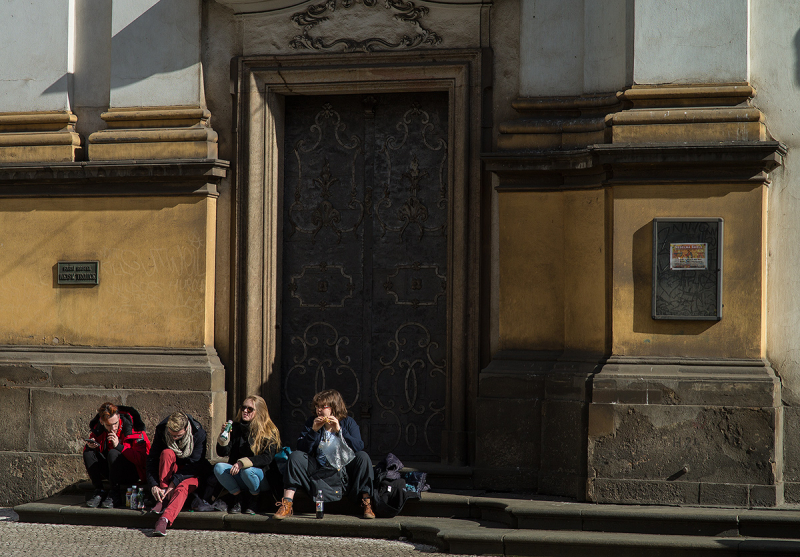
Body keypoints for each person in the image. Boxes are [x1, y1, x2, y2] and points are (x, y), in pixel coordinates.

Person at [273, 389, 375, 520]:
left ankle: (367, 503)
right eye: (317, 406)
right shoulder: (312, 422)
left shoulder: (348, 422)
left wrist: (340, 431)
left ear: (334, 407)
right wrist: (313, 431)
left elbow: (358, 446)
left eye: (323, 406)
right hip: (318, 469)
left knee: (363, 457)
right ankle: (287, 504)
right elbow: (302, 449)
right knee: (295, 456)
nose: (319, 410)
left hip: (343, 470)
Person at [213, 395, 282, 514]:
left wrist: (242, 462)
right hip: (239, 476)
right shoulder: (236, 427)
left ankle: (254, 499)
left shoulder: (269, 431)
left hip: (260, 477)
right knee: (219, 467)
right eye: (243, 408)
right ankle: (238, 498)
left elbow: (267, 458)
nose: (245, 411)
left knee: (247, 471)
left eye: (249, 409)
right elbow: (222, 453)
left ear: (259, 411)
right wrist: (224, 437)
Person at [146, 411, 209, 536]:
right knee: (166, 453)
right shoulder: (162, 431)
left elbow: (195, 465)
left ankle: (164, 519)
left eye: (178, 436)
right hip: (170, 471)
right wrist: (154, 485)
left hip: (190, 473)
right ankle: (163, 497)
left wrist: (174, 482)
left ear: (186, 429)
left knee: (182, 487)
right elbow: (152, 459)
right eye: (172, 435)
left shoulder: (198, 433)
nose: (174, 438)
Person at [83, 402, 150, 508]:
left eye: (115, 423)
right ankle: (99, 490)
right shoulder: (99, 430)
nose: (113, 428)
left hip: (131, 471)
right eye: (108, 425)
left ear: (119, 417)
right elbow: (93, 453)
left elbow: (142, 460)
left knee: (114, 452)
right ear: (102, 422)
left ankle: (115, 494)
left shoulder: (135, 429)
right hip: (110, 471)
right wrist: (92, 446)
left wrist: (119, 447)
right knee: (88, 451)